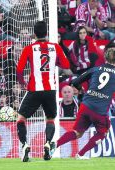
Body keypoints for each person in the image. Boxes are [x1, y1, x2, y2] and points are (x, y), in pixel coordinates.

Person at [16, 21, 71, 162]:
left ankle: (24, 145)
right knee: (50, 119)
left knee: (21, 119)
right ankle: (47, 143)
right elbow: (66, 65)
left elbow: (19, 70)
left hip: (35, 89)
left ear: (34, 34)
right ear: (46, 33)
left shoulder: (29, 48)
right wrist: (54, 63)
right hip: (50, 90)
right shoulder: (55, 47)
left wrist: (22, 84)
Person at [50, 41, 115, 159]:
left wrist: (83, 89)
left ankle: (55, 144)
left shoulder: (96, 69)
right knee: (102, 133)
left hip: (86, 105)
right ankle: (80, 154)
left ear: (105, 58)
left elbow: (75, 82)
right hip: (100, 110)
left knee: (77, 132)